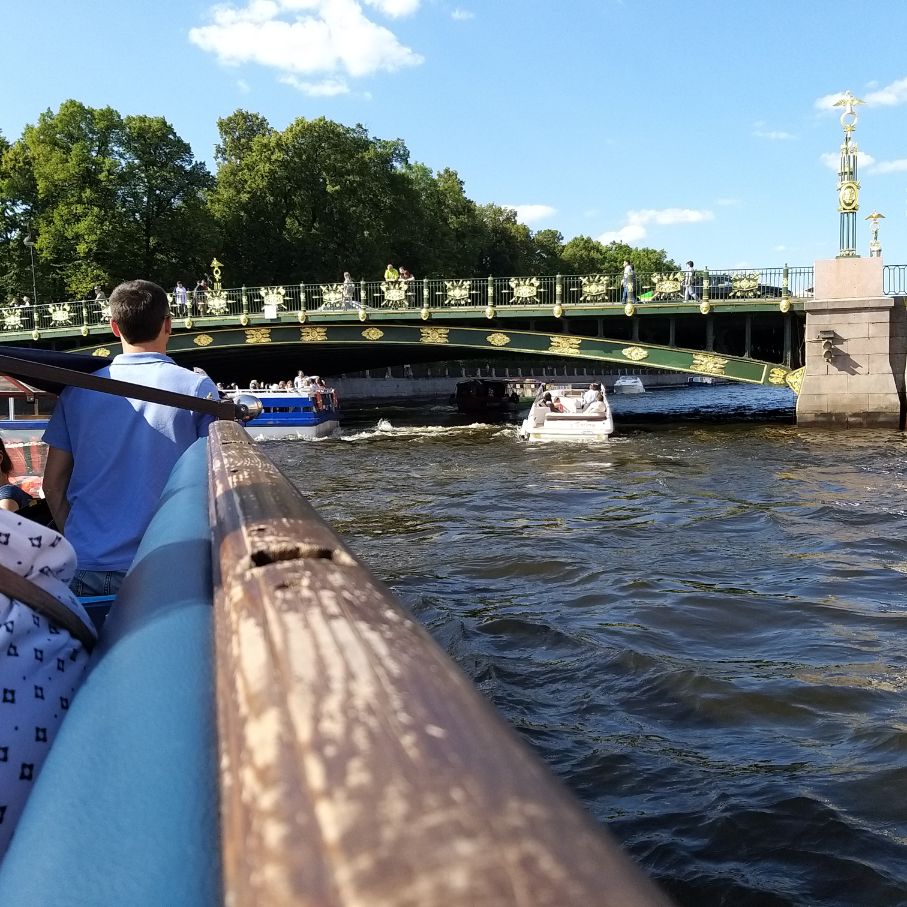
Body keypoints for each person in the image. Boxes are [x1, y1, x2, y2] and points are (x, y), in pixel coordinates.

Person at [42, 279, 219, 626]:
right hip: (168, 560)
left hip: (86, 564)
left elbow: (51, 485)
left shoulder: (77, 392)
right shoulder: (196, 388)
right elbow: (217, 480)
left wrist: (82, 538)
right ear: (168, 324)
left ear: (113, 326)